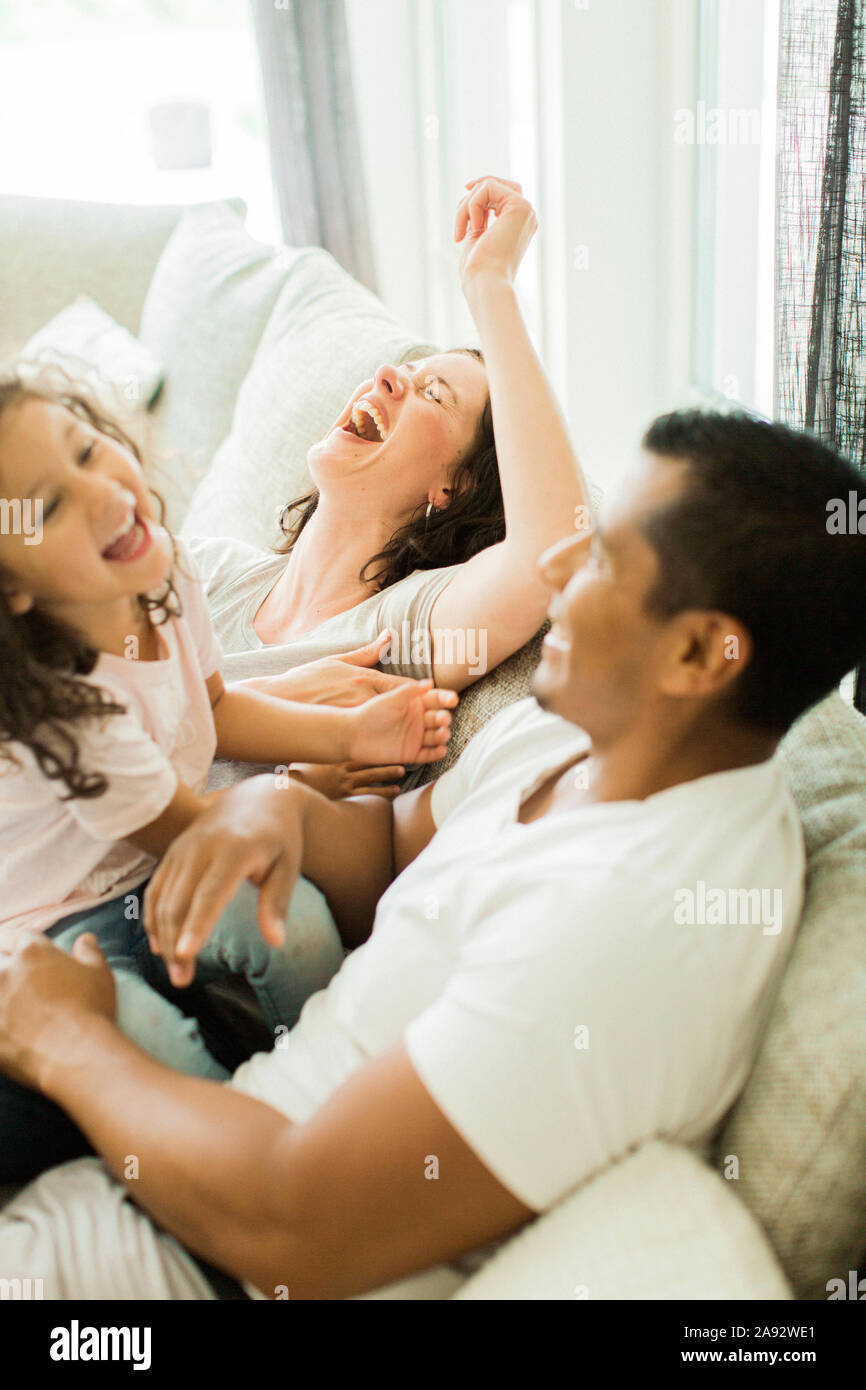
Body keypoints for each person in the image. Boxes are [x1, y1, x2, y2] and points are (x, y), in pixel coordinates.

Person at [2, 278, 865, 1298]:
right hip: (161, 1148)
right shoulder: (571, 736)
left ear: (694, 654)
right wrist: (274, 805)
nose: (558, 560)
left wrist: (64, 1043)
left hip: (173, 1261)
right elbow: (391, 849)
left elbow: (295, 1231)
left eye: (603, 557)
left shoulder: (636, 919)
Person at [0, 369, 457, 1181]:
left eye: (86, 451)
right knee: (145, 1039)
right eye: (52, 507)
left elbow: (211, 710)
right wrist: (307, 788)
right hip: (58, 925)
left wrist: (347, 731)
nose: (103, 495)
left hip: (159, 865)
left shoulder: (165, 574)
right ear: (14, 590)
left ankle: (333, 1083)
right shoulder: (67, 709)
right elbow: (194, 827)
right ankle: (245, 1171)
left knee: (297, 926)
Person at [188, 175, 592, 799]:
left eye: (433, 392)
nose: (385, 377)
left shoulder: (394, 631)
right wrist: (268, 703)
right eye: (405, 370)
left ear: (453, 489)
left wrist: (490, 284)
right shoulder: (206, 572)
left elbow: (550, 552)